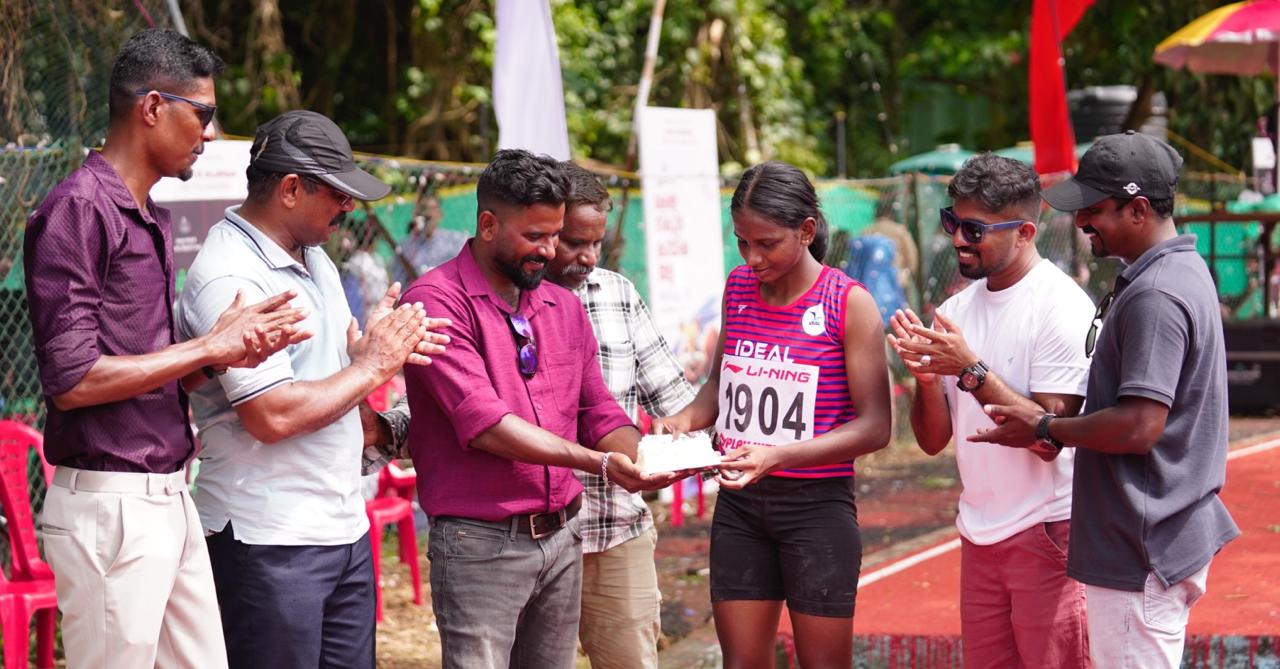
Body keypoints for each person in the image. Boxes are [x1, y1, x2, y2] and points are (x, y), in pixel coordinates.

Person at [23, 29, 308, 669]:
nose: (208, 134)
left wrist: (222, 356)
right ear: (152, 107)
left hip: (170, 493)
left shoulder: (146, 212)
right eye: (202, 114)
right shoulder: (76, 210)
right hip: (111, 504)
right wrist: (205, 344)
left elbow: (147, 371)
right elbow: (72, 379)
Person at [175, 110, 448, 669]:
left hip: (340, 526)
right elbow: (271, 416)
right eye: (338, 194)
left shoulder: (314, 255)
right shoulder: (232, 276)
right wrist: (372, 368)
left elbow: (330, 368)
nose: (349, 208)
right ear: (292, 189)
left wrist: (363, 352)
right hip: (267, 539)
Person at [397, 149, 675, 668]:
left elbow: (599, 409)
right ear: (487, 224)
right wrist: (601, 463)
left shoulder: (563, 305)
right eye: (535, 236)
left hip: (563, 534)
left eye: (555, 235)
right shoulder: (435, 303)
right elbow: (486, 426)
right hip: (480, 544)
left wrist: (641, 457)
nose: (549, 251)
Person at [973, 130, 1240, 668]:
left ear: (1139, 208)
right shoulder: (1175, 271)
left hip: (1141, 544)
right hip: (1155, 534)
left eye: (1094, 209)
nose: (1081, 222)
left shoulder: (1156, 293)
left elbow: (1140, 425)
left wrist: (1046, 427)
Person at [655, 161, 892, 669]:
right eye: (742, 242)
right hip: (740, 508)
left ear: (807, 231)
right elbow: (719, 384)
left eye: (767, 243)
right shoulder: (738, 288)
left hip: (816, 511)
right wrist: (683, 420)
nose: (752, 257)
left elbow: (876, 427)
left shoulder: (848, 304)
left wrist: (779, 455)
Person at [886, 153, 1093, 668]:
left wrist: (970, 370)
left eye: (974, 228)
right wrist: (927, 381)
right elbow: (934, 441)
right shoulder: (956, 311)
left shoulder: (1061, 307)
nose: (957, 238)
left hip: (1047, 531)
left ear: (1025, 232)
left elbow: (1049, 437)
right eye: (951, 221)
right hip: (979, 533)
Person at [546, 162, 696, 668]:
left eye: (596, 243)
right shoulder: (507, 299)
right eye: (572, 242)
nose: (587, 257)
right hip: (532, 544)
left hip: (615, 531)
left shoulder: (616, 294)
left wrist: (686, 438)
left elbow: (674, 399)